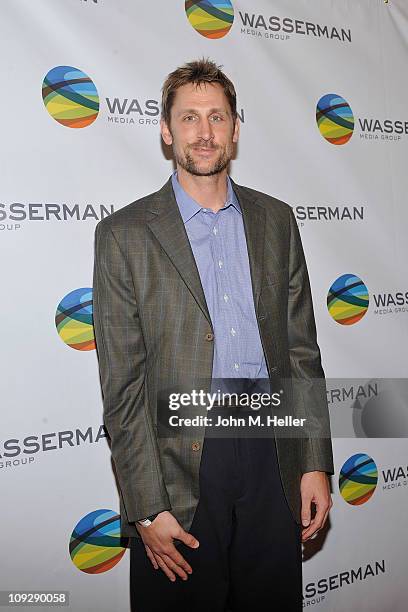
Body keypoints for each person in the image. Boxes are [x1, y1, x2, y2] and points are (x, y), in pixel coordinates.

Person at [92, 58, 334, 611]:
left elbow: (302, 351)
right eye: (190, 118)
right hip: (178, 457)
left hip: (273, 447)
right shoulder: (124, 235)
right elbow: (123, 385)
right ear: (165, 130)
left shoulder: (277, 221)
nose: (204, 133)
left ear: (236, 129)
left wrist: (314, 461)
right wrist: (147, 507)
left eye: (217, 118)